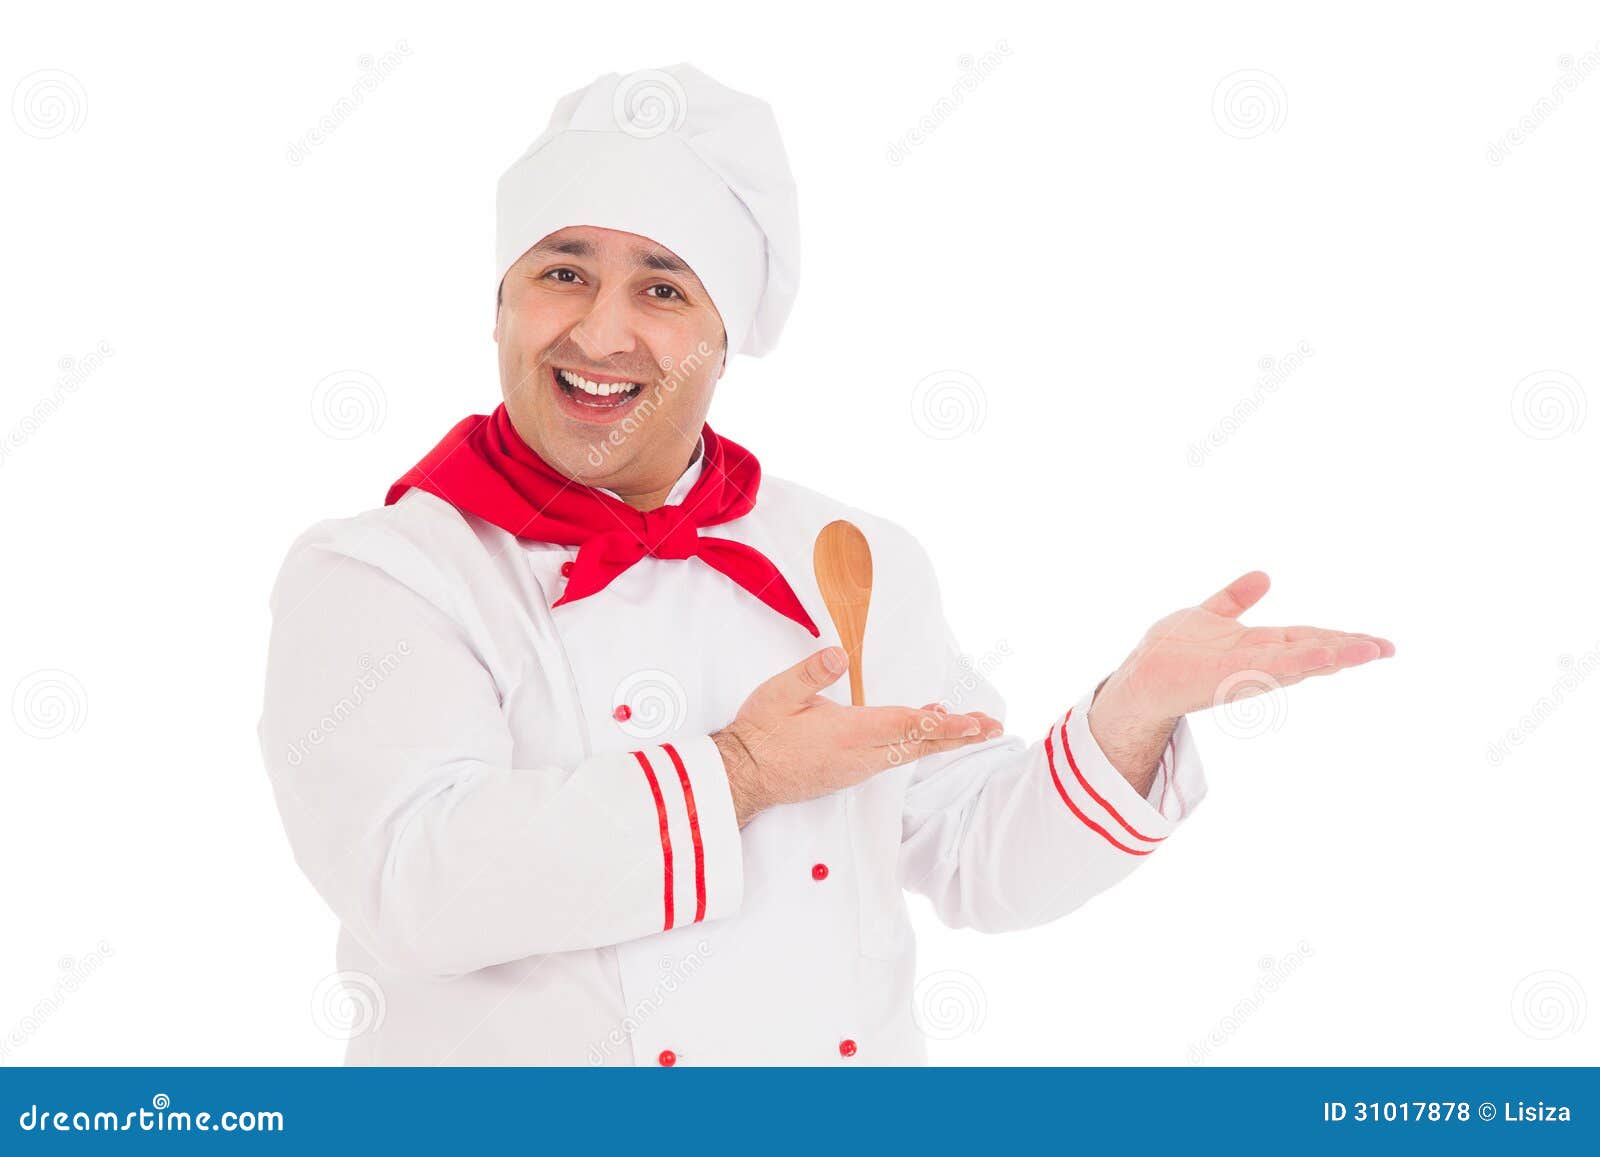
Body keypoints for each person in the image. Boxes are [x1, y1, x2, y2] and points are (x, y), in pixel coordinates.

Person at [258, 63, 1393, 1065]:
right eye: (563, 271)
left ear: (727, 332)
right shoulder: (385, 571)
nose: (600, 332)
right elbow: (415, 882)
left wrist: (1130, 715)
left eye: (662, 287)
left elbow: (974, 854)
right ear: (500, 300)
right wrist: (742, 771)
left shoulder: (845, 556)